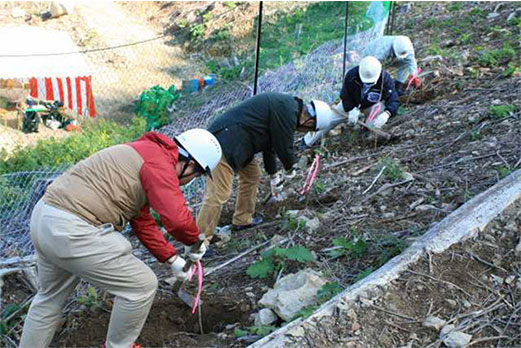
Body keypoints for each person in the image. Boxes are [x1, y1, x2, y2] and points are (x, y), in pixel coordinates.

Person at [19, 129, 222, 348]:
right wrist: (194, 240)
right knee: (141, 286)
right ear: (190, 164)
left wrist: (172, 259)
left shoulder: (144, 152)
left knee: (49, 299)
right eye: (197, 175)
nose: (190, 181)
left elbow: (141, 218)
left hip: (45, 217)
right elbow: (177, 219)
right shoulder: (159, 164)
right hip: (71, 228)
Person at [196, 92, 337, 243]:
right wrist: (290, 167)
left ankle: (242, 219)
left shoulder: (288, 109)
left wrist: (273, 174)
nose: (303, 132)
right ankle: (198, 242)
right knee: (218, 194)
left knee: (252, 175)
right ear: (309, 121)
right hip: (223, 144)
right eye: (309, 129)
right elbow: (284, 146)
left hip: (240, 142)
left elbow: (271, 146)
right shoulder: (287, 112)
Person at [302, 56, 399, 147]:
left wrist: (387, 113)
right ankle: (307, 141)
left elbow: (393, 98)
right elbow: (345, 96)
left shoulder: (385, 78)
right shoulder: (351, 75)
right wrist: (351, 109)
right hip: (351, 105)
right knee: (328, 119)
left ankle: (368, 134)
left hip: (371, 106)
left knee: (377, 116)